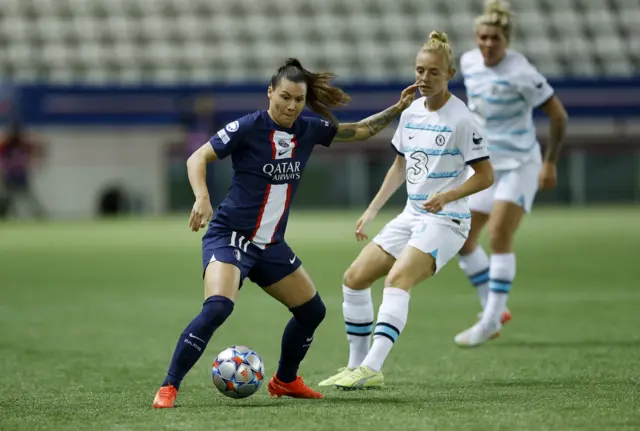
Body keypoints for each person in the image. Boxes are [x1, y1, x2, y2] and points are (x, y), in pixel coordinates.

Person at [152, 58, 419, 408]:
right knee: (218, 307)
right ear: (269, 93)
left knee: (312, 311)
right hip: (230, 236)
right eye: (284, 97)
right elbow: (196, 158)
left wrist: (398, 108)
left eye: (298, 99)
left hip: (270, 245)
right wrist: (202, 197)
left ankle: (285, 380)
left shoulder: (307, 129)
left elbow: (360, 130)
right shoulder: (248, 127)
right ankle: (169, 386)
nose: (291, 106)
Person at [318, 31, 494, 390]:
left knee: (398, 279)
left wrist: (448, 196)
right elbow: (400, 166)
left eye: (433, 72)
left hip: (447, 220)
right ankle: (356, 366)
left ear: (450, 75)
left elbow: (486, 176)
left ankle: (373, 366)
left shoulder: (462, 119)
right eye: (419, 71)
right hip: (412, 215)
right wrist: (371, 210)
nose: (424, 79)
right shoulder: (411, 111)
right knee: (354, 279)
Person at [453, 0, 568, 347]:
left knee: (499, 235)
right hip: (487, 166)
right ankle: (494, 308)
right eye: (483, 37)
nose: (488, 44)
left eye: (495, 39)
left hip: (520, 165)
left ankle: (489, 320)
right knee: (463, 238)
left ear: (507, 41)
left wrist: (549, 162)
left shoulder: (523, 73)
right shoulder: (469, 62)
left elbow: (559, 116)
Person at [0, 121, 46, 219]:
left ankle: (38, 215)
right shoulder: (6, 145)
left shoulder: (23, 145)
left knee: (27, 197)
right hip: (10, 175)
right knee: (8, 197)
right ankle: (4, 215)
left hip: (21, 175)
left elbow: (39, 150)